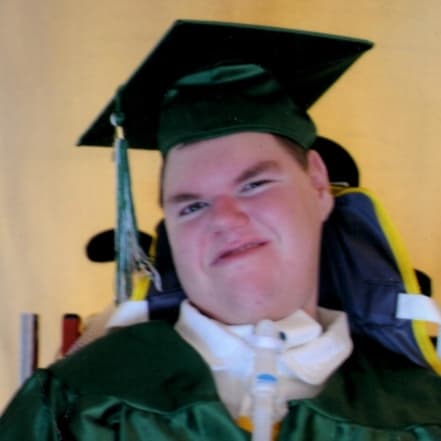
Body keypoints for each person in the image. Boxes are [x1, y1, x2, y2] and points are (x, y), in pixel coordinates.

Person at [1, 19, 441, 441]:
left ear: (318, 184)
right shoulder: (78, 405)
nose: (225, 219)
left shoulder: (422, 414)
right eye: (192, 206)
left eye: (254, 184)